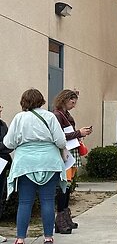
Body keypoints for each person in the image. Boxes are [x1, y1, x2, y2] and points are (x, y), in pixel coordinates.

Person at [3, 89, 67, 244]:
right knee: (47, 201)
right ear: (41, 100)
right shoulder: (50, 116)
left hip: (26, 164)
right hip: (49, 162)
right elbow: (61, 141)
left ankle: (20, 238)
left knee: (25, 202)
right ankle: (48, 237)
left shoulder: (19, 118)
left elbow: (8, 143)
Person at [52, 89, 92, 233]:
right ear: (63, 100)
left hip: (70, 152)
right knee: (64, 187)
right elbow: (59, 135)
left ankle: (65, 218)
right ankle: (60, 221)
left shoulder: (64, 114)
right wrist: (78, 133)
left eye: (75, 101)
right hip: (65, 154)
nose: (74, 104)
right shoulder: (57, 115)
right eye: (71, 100)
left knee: (67, 187)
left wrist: (79, 135)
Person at [0, 102, 13, 243]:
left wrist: (4, 147)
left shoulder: (3, 124)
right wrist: (4, 146)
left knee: (1, 197)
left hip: (3, 165)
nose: (0, 110)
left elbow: (9, 143)